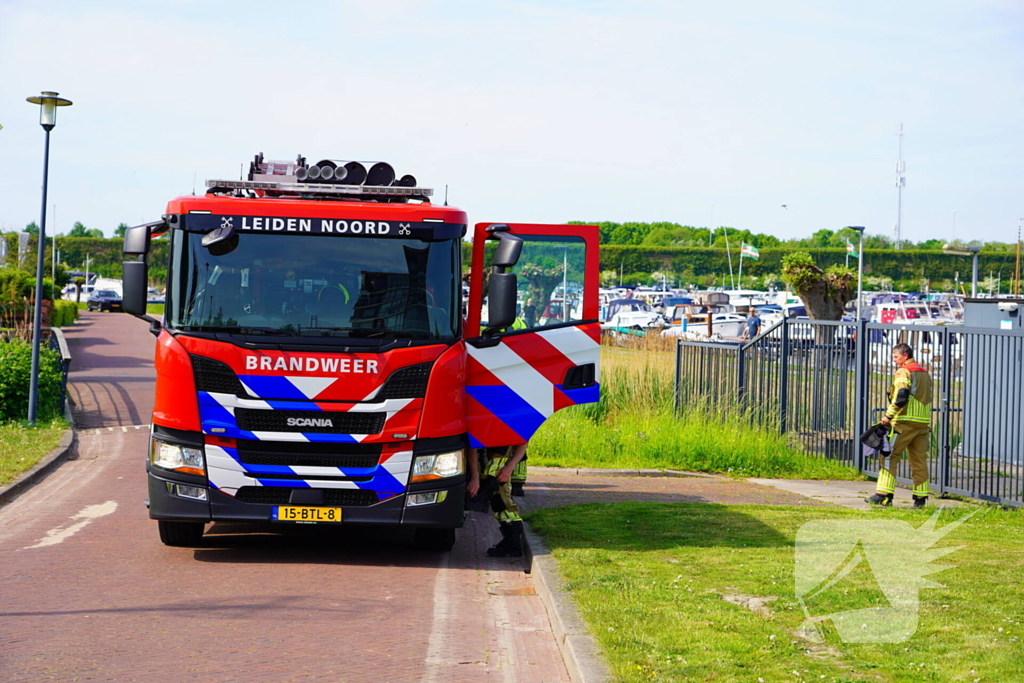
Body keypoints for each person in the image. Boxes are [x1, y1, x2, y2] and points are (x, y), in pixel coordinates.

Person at [866, 343, 933, 508]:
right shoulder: (924, 373)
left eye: (896, 357)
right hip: (922, 424)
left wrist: (888, 415)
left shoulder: (904, 371)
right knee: (919, 461)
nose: (894, 360)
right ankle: (920, 500)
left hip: (904, 423)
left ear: (905, 356)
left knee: (888, 456)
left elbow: (902, 396)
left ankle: (883, 495)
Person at [466, 443, 528, 557]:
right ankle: (512, 544)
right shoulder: (485, 426)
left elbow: (522, 444)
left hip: (497, 472)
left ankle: (513, 543)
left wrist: (509, 468)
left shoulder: (511, 426)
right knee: (499, 504)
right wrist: (475, 477)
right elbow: (473, 447)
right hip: (488, 469)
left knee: (502, 503)